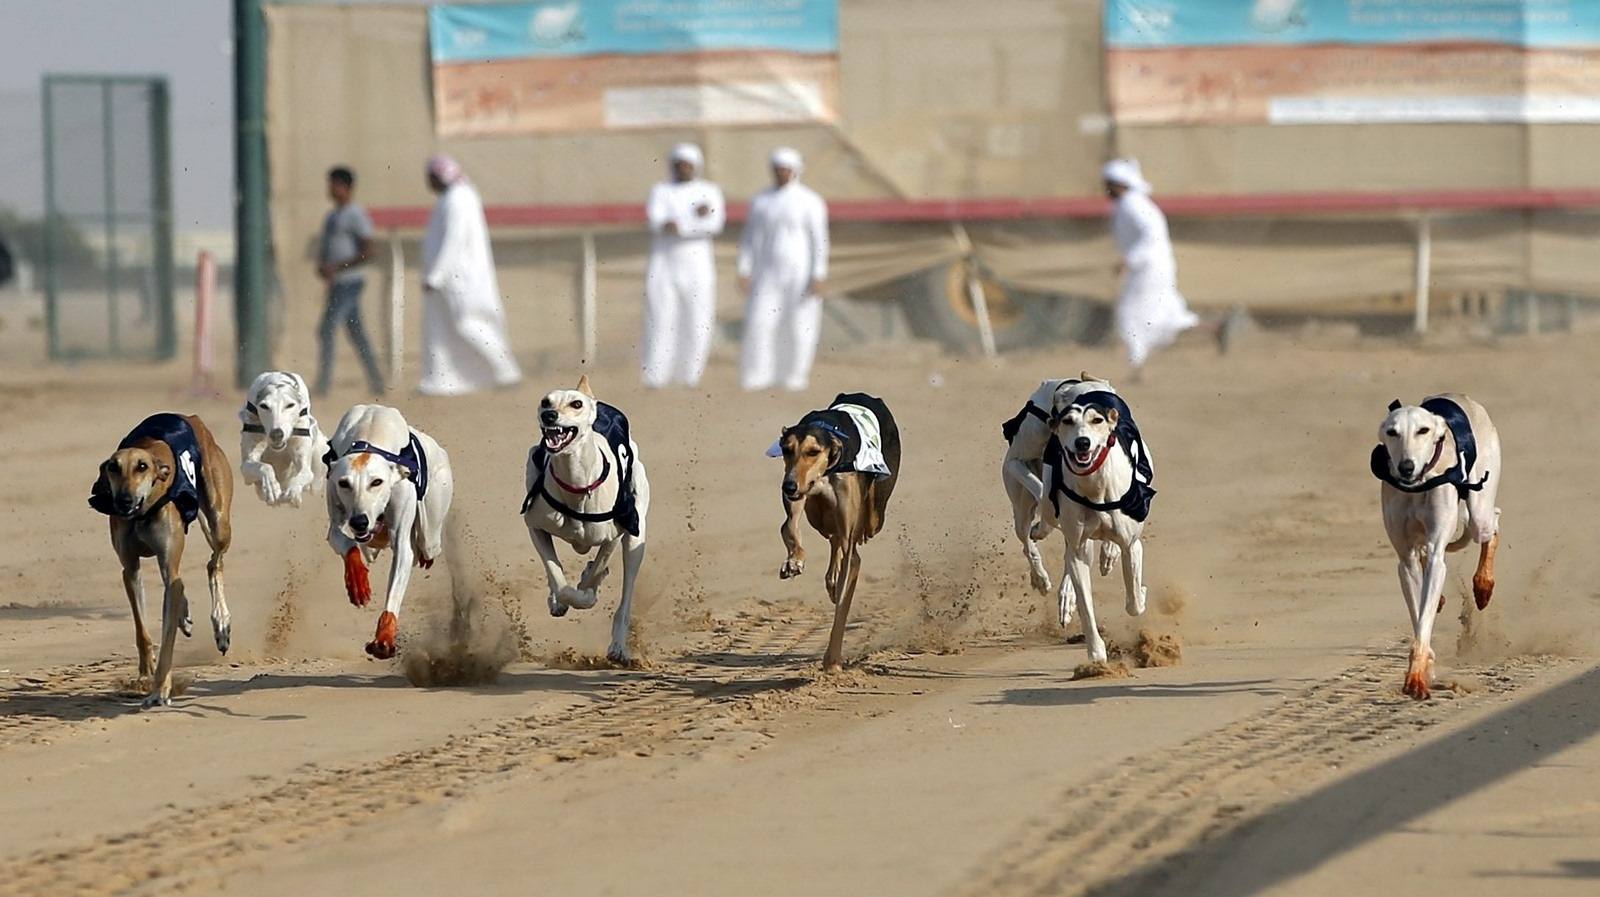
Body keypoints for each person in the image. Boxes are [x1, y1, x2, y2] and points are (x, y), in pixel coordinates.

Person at [419, 154, 522, 396]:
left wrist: (436, 275)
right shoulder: (453, 198)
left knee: (469, 324)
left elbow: (454, 239)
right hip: (450, 278)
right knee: (443, 329)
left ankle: (506, 370)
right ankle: (441, 380)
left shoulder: (458, 198)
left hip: (461, 278)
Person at [738, 147, 829, 392]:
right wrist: (744, 269)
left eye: (786, 170)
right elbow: (750, 239)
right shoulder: (761, 201)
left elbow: (819, 240)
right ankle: (758, 375)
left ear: (796, 171)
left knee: (801, 325)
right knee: (760, 322)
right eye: (778, 170)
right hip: (767, 273)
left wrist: (819, 274)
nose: (782, 174)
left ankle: (795, 377)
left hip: (801, 274)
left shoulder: (810, 201)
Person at [1104, 158, 1199, 378]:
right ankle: (1214, 329)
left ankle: (1137, 365)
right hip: (1153, 265)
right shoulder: (1133, 204)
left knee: (1130, 314)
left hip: (1148, 267)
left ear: (1119, 184)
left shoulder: (1132, 205)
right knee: (1163, 313)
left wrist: (1129, 260)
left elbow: (1152, 235)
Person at [642, 143, 725, 388]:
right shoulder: (660, 190)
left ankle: (690, 376)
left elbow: (714, 223)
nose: (683, 169)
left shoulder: (709, 191)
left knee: (698, 320)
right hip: (663, 265)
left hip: (697, 266)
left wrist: (683, 225)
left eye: (687, 164)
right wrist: (693, 216)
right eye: (678, 164)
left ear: (696, 167)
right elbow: (657, 221)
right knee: (660, 318)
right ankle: (655, 376)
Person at [314, 166, 385, 396]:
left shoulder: (355, 214)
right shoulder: (333, 216)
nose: (331, 189)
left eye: (335, 184)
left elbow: (369, 250)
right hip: (337, 284)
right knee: (357, 334)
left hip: (350, 283)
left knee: (327, 329)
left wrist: (338, 266)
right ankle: (377, 382)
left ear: (347, 187)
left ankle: (323, 386)